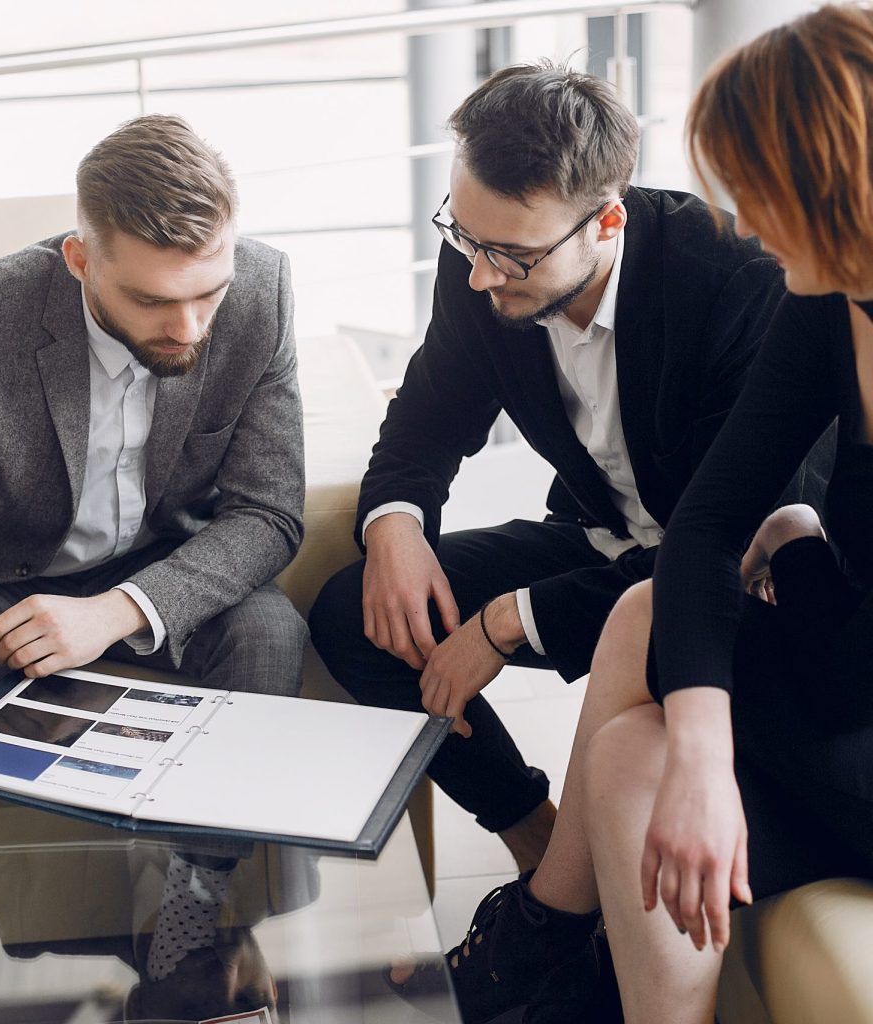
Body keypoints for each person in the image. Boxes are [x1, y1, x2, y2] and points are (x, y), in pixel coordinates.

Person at [420, 6, 873, 1023]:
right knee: (634, 742)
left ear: (832, 179)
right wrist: (703, 759)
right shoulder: (829, 303)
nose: (745, 223)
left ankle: (534, 950)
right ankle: (587, 977)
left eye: (755, 190)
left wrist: (796, 557)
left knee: (649, 659)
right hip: (846, 670)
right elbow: (710, 528)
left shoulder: (773, 290)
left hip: (862, 725)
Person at [308, 60, 828, 883]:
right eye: (463, 236)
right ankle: (534, 837)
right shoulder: (485, 257)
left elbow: (728, 547)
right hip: (601, 539)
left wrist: (506, 621)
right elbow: (428, 418)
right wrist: (399, 526)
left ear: (608, 221)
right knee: (354, 612)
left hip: (721, 586)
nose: (480, 274)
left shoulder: (738, 288)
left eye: (509, 256)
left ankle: (566, 909)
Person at [0, 113, 307, 765]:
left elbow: (268, 512)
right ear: (79, 260)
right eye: (152, 300)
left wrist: (118, 610)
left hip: (161, 558)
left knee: (269, 636)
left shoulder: (264, 295)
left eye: (210, 292)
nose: (189, 329)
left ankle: (207, 864)